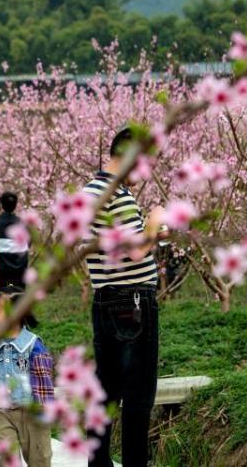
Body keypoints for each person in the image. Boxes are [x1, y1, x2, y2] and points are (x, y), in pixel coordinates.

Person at [82, 127, 167, 467]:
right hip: (133, 301)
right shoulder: (118, 194)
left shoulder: (91, 192)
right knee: (138, 394)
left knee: (106, 388)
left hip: (105, 299)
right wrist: (155, 218)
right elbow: (136, 251)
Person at [0, 288, 54, 467]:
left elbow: (43, 381)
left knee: (40, 460)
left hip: (32, 412)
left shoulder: (33, 345)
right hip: (3, 413)